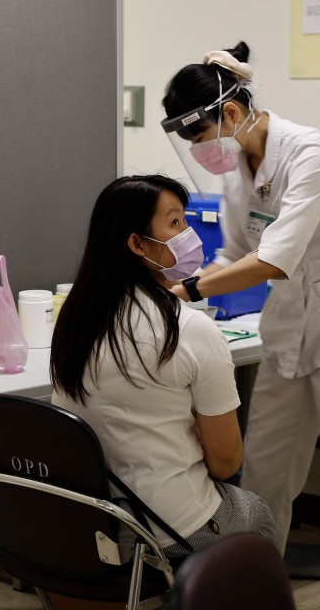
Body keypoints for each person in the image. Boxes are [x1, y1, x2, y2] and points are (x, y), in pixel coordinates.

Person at [159, 42, 320, 552]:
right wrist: (179, 283)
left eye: (199, 136)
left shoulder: (310, 152)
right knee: (265, 471)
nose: (199, 150)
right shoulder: (240, 168)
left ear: (233, 112)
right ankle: (255, 587)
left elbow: (272, 259)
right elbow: (236, 253)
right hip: (287, 328)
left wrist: (187, 289)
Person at [49, 175, 280, 566]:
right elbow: (226, 462)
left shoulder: (74, 319)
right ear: (136, 244)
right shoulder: (188, 329)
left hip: (83, 527)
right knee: (255, 515)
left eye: (186, 221)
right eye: (175, 224)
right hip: (166, 531)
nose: (189, 235)